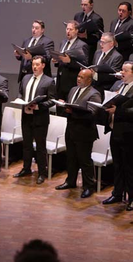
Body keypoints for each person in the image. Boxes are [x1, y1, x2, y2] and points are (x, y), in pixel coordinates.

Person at [54, 69, 101, 198]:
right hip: (71, 130)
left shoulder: (94, 94)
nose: (78, 79)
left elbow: (92, 114)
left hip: (84, 132)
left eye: (82, 77)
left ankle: (88, 186)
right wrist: (64, 106)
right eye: (78, 76)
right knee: (71, 158)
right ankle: (70, 181)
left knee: (85, 161)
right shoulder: (73, 89)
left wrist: (72, 112)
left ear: (89, 80)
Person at [14, 56, 56, 184]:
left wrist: (39, 106)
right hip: (26, 116)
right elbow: (20, 93)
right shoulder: (26, 78)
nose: (34, 67)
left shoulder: (49, 81)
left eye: (37, 64)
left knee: (40, 146)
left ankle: (41, 173)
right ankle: (26, 168)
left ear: (43, 65)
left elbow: (52, 101)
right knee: (26, 145)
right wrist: (20, 99)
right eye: (33, 64)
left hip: (40, 119)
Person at [102, 61, 133, 210]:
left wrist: (117, 111)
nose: (122, 73)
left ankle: (132, 198)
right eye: (122, 70)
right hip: (115, 131)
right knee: (118, 165)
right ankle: (117, 193)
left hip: (128, 134)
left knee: (129, 168)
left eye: (125, 71)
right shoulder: (120, 86)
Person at [53, 20, 88, 102]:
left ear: (76, 31)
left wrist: (70, 61)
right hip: (60, 81)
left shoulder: (82, 45)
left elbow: (84, 65)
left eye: (71, 29)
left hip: (71, 82)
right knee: (59, 109)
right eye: (67, 29)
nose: (68, 31)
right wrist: (57, 61)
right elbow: (62, 59)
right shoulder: (63, 42)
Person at [73, 0, 104, 65]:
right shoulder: (78, 16)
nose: (83, 7)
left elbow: (99, 35)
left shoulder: (97, 18)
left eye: (85, 5)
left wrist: (86, 36)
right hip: (77, 47)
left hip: (89, 48)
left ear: (91, 5)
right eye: (82, 5)